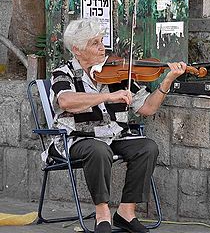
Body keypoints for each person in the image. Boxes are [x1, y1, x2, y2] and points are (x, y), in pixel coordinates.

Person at [49, 18, 187, 233]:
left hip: (114, 136)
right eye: (94, 43)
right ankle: (102, 213)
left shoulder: (117, 72)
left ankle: (126, 212)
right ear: (77, 49)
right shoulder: (63, 73)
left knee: (147, 147)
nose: (102, 47)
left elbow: (147, 108)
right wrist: (108, 97)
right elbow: (66, 101)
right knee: (98, 149)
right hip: (77, 139)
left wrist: (166, 81)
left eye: (101, 40)